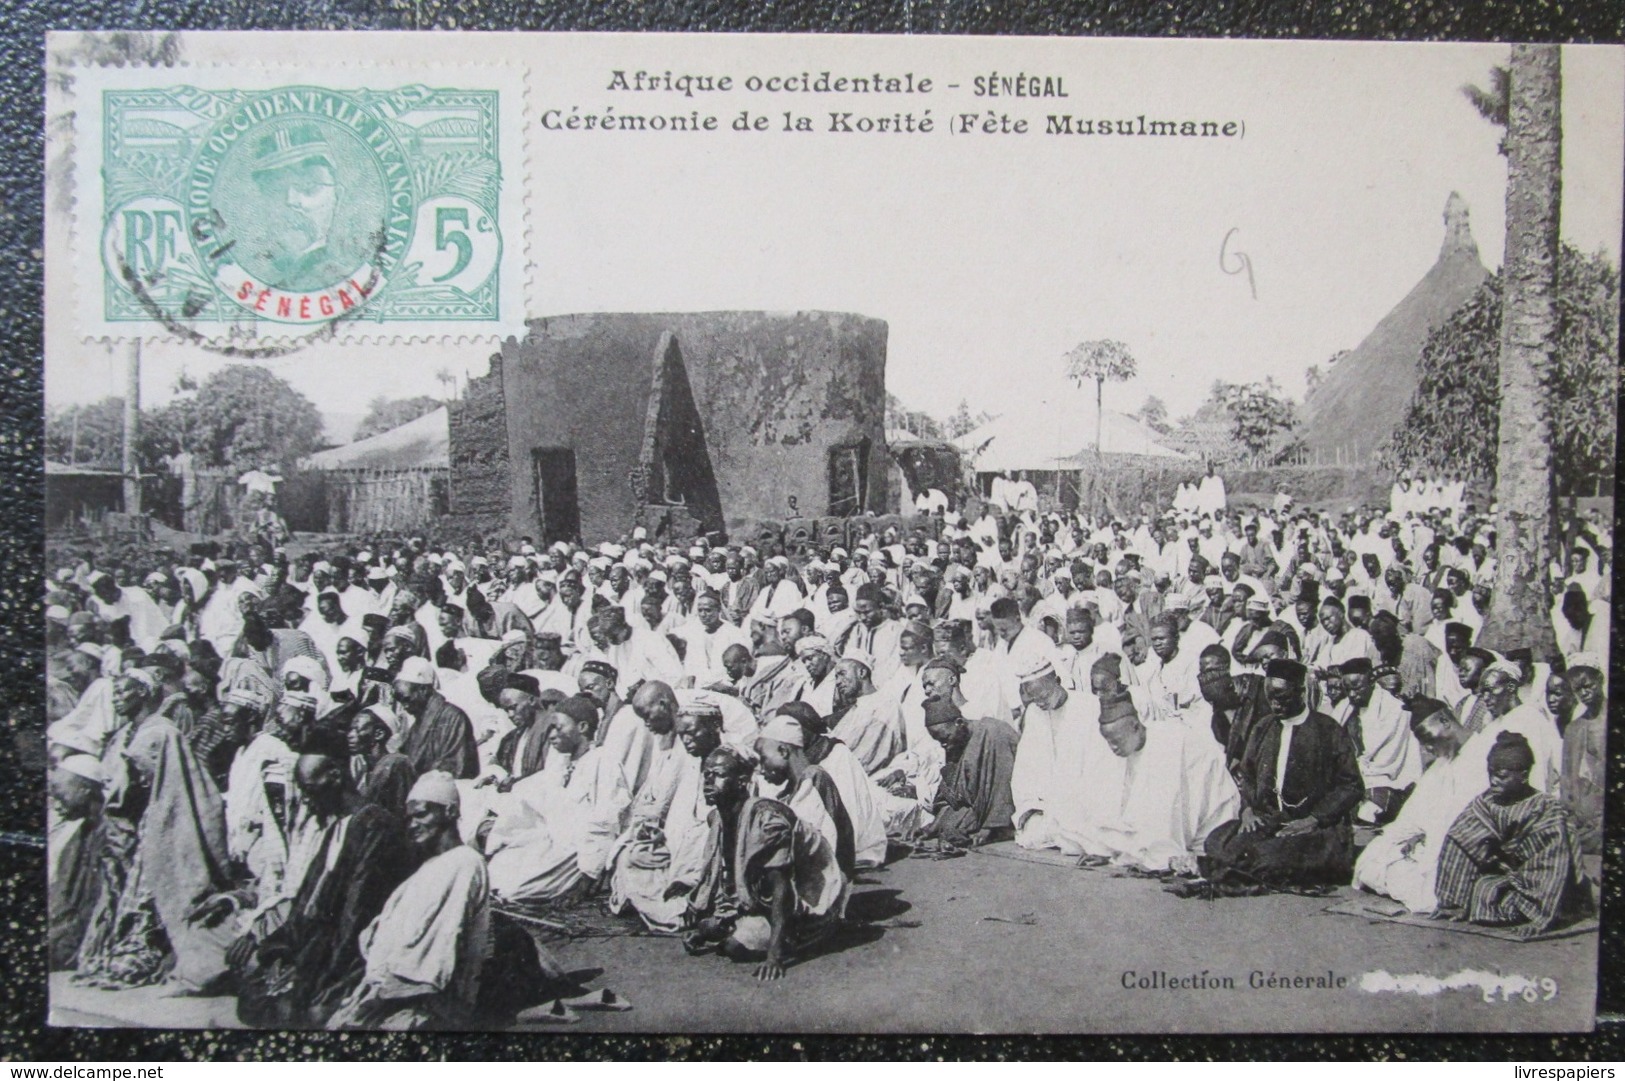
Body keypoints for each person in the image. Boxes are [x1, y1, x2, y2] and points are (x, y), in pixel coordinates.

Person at [224, 731, 415, 1028]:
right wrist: (275, 946)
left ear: (335, 776)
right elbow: (307, 902)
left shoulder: (374, 825)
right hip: (322, 945)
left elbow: (357, 912)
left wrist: (324, 975)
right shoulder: (337, 826)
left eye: (309, 790)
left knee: (298, 1013)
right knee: (252, 996)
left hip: (356, 952)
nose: (306, 803)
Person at [328, 772, 492, 1029]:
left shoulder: (466, 862)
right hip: (392, 988)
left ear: (449, 812)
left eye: (421, 815)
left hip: (426, 1000)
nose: (412, 824)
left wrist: (380, 997)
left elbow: (442, 946)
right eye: (409, 819)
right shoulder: (428, 866)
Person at [1196, 659, 1363, 895]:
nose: (1275, 704)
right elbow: (1247, 777)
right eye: (1269, 697)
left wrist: (1314, 819)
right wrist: (1247, 811)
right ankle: (1253, 862)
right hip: (1270, 821)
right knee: (1217, 842)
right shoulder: (1263, 728)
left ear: (1301, 692)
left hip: (1315, 827)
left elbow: (1352, 786)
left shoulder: (1328, 730)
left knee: (1268, 857)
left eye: (1281, 696)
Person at [681, 745, 846, 981]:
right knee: (706, 927)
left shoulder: (767, 822)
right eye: (706, 775)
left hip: (812, 900)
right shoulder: (718, 819)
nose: (708, 782)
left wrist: (774, 956)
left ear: (741, 781)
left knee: (733, 947)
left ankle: (790, 936)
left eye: (717, 775)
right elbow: (731, 878)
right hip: (765, 899)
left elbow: (782, 888)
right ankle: (747, 925)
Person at [1433, 732, 1594, 939]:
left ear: (1524, 776)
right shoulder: (1486, 803)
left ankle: (1540, 913)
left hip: (1545, 884)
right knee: (1484, 891)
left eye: (1501, 776)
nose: (1493, 781)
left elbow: (1551, 865)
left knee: (1499, 897)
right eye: (1490, 774)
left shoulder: (1546, 809)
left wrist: (1539, 918)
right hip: (1508, 875)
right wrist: (1451, 901)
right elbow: (1460, 842)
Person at [481, 695, 633, 906]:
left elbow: (605, 822)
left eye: (558, 728)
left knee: (512, 889)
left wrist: (586, 879)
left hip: (580, 854)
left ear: (582, 727)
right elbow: (530, 798)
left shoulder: (603, 762)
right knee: (495, 875)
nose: (551, 735)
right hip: (553, 843)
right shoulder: (561, 763)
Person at [1353, 697, 1477, 913]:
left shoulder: (1482, 756)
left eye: (1428, 738)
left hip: (1461, 849)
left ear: (1445, 721)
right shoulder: (1440, 765)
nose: (1428, 748)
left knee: (1428, 894)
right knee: (1370, 861)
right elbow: (1411, 817)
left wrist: (1426, 839)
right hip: (1424, 846)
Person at [1330, 657, 1423, 826]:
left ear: (1371, 683)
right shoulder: (1344, 708)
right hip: (1349, 776)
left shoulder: (1396, 710)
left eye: (1357, 688)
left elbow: (1387, 762)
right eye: (1347, 689)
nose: (1352, 694)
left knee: (1368, 810)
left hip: (1384, 779)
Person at [918, 697, 1019, 848]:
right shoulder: (956, 742)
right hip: (979, 807)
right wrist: (934, 826)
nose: (944, 745)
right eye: (939, 741)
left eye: (945, 738)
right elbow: (952, 795)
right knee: (949, 827)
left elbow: (1003, 781)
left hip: (1008, 807)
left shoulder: (992, 732)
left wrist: (988, 828)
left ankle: (998, 828)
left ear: (959, 722)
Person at [48, 755, 107, 970]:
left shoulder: (110, 833)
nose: (56, 803)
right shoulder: (80, 833)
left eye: (60, 793)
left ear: (84, 789)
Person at [392, 657, 479, 779]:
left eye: (407, 699)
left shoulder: (452, 718)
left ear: (423, 690)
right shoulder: (418, 722)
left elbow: (454, 766)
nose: (404, 706)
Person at [1558, 656, 1605, 857]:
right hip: (1580, 826)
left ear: (1600, 679)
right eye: (1578, 690)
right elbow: (1567, 779)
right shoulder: (1574, 728)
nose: (1584, 694)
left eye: (1588, 686)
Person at [827, 658, 904, 775]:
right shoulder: (856, 707)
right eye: (836, 677)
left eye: (842, 674)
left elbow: (868, 757)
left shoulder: (884, 704)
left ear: (862, 673)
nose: (837, 682)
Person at [349, 706, 417, 817]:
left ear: (379, 734)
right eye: (351, 730)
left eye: (357, 729)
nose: (350, 735)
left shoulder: (396, 764)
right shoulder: (365, 771)